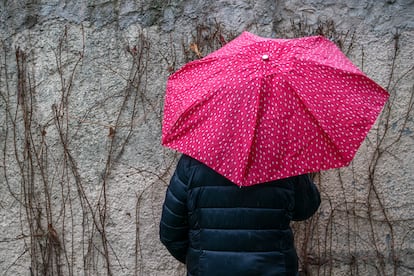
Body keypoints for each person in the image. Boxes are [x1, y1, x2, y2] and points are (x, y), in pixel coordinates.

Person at [159, 154, 321, 276]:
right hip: (273, 269)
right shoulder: (284, 155)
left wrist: (201, 257)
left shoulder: (192, 162)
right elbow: (306, 208)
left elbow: (170, 232)